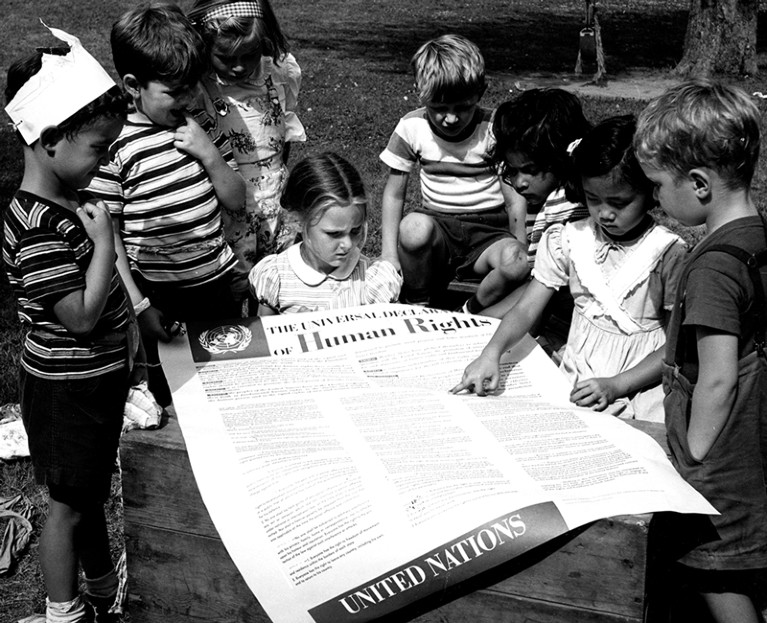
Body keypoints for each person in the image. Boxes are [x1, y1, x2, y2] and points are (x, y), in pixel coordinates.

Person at [3, 26, 136, 623]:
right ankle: (65, 611)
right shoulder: (38, 226)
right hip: (66, 388)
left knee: (87, 495)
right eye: (98, 148)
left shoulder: (60, 210)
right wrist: (105, 242)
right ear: (49, 139)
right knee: (65, 505)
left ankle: (103, 586)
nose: (105, 160)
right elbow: (79, 317)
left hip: (92, 383)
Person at [451, 115, 687, 422]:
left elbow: (675, 343)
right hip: (577, 373)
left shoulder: (666, 253)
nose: (605, 213)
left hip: (641, 383)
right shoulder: (569, 239)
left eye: (619, 202)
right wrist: (491, 353)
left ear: (649, 192)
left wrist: (618, 385)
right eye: (593, 199)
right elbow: (525, 310)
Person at [635, 80, 767, 622]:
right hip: (754, 441)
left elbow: (716, 377)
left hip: (720, 454)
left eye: (658, 186)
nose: (656, 199)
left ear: (698, 183)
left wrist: (692, 459)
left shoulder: (712, 265)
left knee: (714, 568)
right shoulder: (758, 239)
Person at [88, 2, 246, 407]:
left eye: (193, 84)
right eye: (175, 91)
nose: (190, 96)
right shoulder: (114, 146)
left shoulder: (199, 125)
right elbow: (111, 239)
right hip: (161, 294)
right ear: (131, 85)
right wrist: (140, 306)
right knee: (174, 396)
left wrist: (210, 154)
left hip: (217, 282)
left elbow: (236, 200)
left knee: (230, 382)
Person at [379, 34, 528, 311]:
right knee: (412, 228)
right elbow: (394, 193)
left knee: (516, 261)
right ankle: (417, 301)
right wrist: (389, 254)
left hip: (489, 233)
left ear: (480, 93)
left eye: (462, 107)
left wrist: (520, 243)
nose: (450, 118)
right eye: (439, 108)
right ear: (421, 92)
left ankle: (472, 307)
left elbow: (513, 195)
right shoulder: (412, 127)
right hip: (439, 231)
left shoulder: (494, 127)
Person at [189, 0, 306, 302]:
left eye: (249, 55)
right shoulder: (201, 87)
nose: (239, 66)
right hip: (228, 215)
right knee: (231, 293)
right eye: (226, 57)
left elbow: (284, 134)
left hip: (276, 207)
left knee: (276, 292)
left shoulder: (279, 73)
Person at [478, 87, 591, 320]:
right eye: (512, 171)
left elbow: (541, 296)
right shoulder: (548, 200)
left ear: (561, 158)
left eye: (529, 171)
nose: (519, 183)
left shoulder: (565, 210)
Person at [249, 152, 402, 314]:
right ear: (296, 222)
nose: (348, 244)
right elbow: (264, 336)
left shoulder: (372, 281)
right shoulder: (276, 277)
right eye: (334, 234)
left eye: (355, 231)